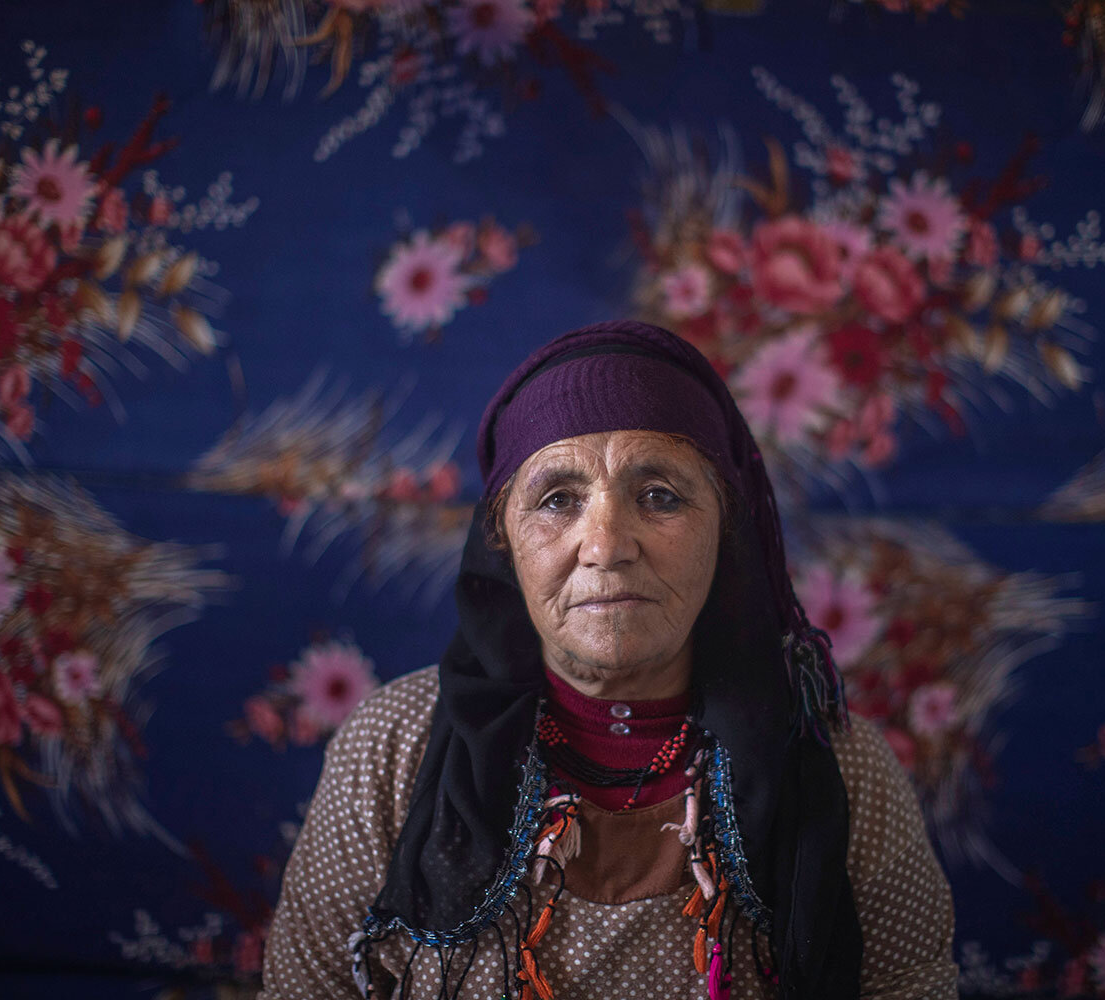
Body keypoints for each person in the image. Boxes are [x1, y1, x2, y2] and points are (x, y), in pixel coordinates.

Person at [259, 319, 958, 1000]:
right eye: (558, 500)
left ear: (726, 530)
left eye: (660, 497)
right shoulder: (393, 747)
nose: (606, 545)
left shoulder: (839, 768)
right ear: (502, 539)